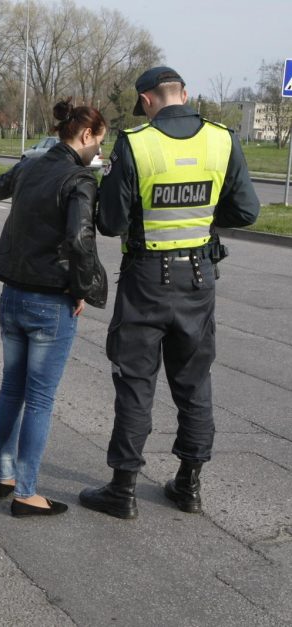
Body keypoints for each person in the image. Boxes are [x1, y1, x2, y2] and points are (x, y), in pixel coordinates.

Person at [79, 67, 260, 519]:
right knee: (194, 382)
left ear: (146, 100)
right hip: (199, 278)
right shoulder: (223, 139)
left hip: (146, 281)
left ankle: (123, 491)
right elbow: (247, 211)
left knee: (136, 384)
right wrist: (203, 221)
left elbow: (112, 223)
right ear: (185, 94)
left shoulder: (137, 143)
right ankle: (189, 485)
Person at [0, 99, 108, 518]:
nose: (99, 153)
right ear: (86, 135)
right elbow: (79, 240)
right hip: (49, 301)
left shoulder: (32, 164)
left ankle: (5, 475)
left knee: (11, 389)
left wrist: (22, 180)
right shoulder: (80, 178)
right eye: (99, 143)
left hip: (12, 294)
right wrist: (83, 288)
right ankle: (27, 492)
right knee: (38, 399)